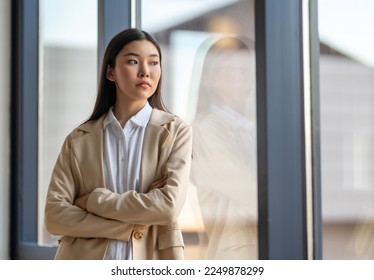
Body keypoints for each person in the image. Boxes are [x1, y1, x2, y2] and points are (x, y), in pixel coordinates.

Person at [44, 28, 193, 260]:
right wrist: (126, 226)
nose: (145, 71)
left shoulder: (175, 132)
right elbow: (54, 216)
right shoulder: (78, 139)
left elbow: (168, 206)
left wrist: (92, 201)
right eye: (133, 61)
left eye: (154, 63)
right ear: (111, 72)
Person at [190, 36, 258, 259]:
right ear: (209, 78)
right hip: (237, 256)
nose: (245, 77)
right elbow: (253, 193)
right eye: (233, 69)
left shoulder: (250, 128)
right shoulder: (206, 129)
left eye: (247, 68)